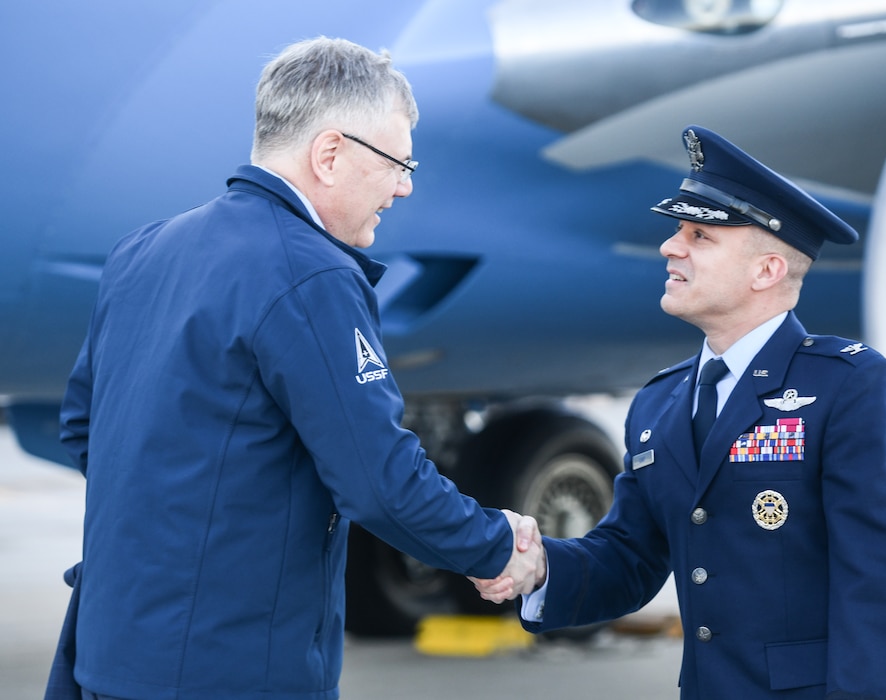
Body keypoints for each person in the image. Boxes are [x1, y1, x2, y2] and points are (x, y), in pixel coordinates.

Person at [45, 37, 542, 700]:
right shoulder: (311, 275)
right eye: (398, 161)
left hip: (111, 653)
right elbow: (376, 481)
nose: (404, 185)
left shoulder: (143, 252)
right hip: (229, 668)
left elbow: (86, 431)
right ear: (330, 154)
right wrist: (492, 544)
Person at [473, 126, 886, 699]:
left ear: (767, 271)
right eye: (678, 231)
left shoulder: (850, 387)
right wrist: (541, 568)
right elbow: (630, 556)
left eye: (700, 235)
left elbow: (872, 588)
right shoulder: (661, 401)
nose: (670, 247)